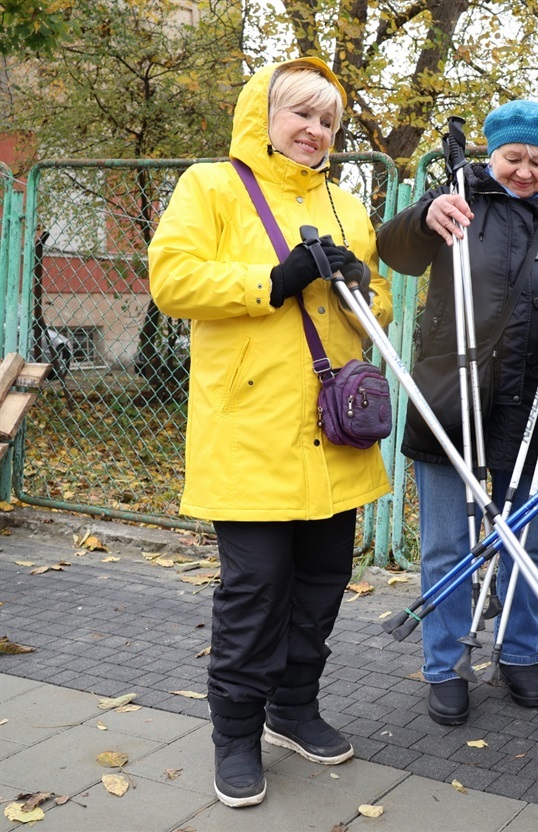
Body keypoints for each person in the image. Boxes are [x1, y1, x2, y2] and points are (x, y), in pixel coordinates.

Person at [148, 57, 394, 808]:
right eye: (302, 115)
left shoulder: (349, 204)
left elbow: (378, 309)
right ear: (265, 116)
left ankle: (294, 708)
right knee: (255, 590)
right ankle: (235, 732)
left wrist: (361, 289)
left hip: (334, 436)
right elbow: (171, 280)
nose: (316, 131)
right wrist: (273, 282)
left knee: (322, 582)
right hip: (249, 433)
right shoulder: (211, 186)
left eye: (328, 121)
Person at [375, 101, 538, 727]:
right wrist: (422, 214)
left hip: (531, 403)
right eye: (513, 157)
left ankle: (518, 654)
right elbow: (395, 253)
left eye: (537, 161)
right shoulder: (456, 199)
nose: (524, 171)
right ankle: (445, 665)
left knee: (524, 542)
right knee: (445, 542)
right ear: (493, 153)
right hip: (451, 395)